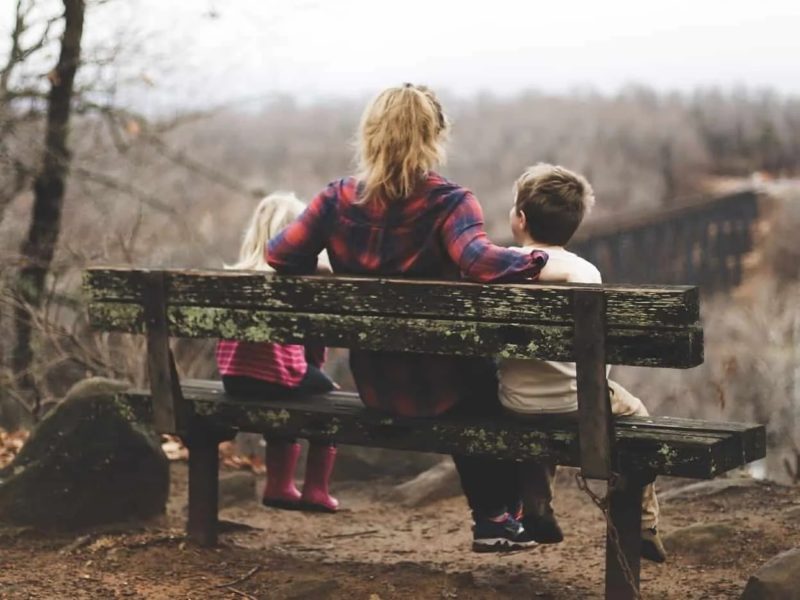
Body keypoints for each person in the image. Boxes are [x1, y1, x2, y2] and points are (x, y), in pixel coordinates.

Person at [267, 84, 549, 551]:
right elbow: (479, 261)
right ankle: (496, 517)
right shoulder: (450, 203)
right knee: (487, 384)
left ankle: (500, 517)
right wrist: (535, 259)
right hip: (447, 388)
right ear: (434, 136)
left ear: (370, 135)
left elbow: (279, 255)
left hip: (377, 385)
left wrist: (322, 265)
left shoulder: (335, 200)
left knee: (472, 380)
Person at [498, 163, 667, 562]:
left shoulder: (500, 267)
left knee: (536, 410)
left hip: (515, 402)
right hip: (580, 403)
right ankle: (644, 523)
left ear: (520, 219)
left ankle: (536, 506)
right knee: (637, 415)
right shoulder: (585, 272)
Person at [216, 192, 340, 513]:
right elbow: (313, 344)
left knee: (287, 390)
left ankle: (279, 485)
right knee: (328, 398)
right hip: (279, 377)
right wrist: (316, 370)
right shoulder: (297, 280)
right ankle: (315, 490)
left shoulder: (235, 277)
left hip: (234, 379)